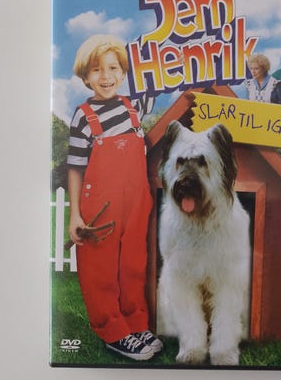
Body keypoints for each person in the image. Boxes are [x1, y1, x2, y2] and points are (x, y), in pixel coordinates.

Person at [66, 34, 162, 361]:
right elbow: (75, 168)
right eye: (96, 70)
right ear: (85, 76)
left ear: (123, 73)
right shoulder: (83, 117)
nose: (105, 76)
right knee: (101, 268)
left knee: (133, 264)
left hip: (136, 202)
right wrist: (75, 215)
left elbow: (158, 74)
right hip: (100, 205)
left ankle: (135, 323)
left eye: (112, 68)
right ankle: (111, 330)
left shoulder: (134, 106)